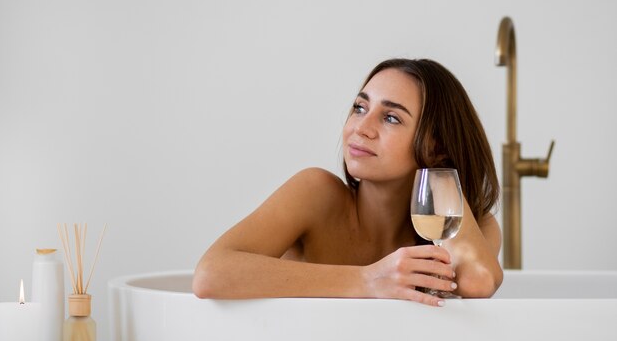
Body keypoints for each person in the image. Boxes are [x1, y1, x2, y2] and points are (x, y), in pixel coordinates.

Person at [193, 58, 502, 307]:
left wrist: (441, 175)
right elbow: (211, 274)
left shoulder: (471, 223)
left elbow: (477, 283)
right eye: (360, 108)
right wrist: (367, 280)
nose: (361, 128)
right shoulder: (316, 193)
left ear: (436, 147)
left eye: (391, 118)